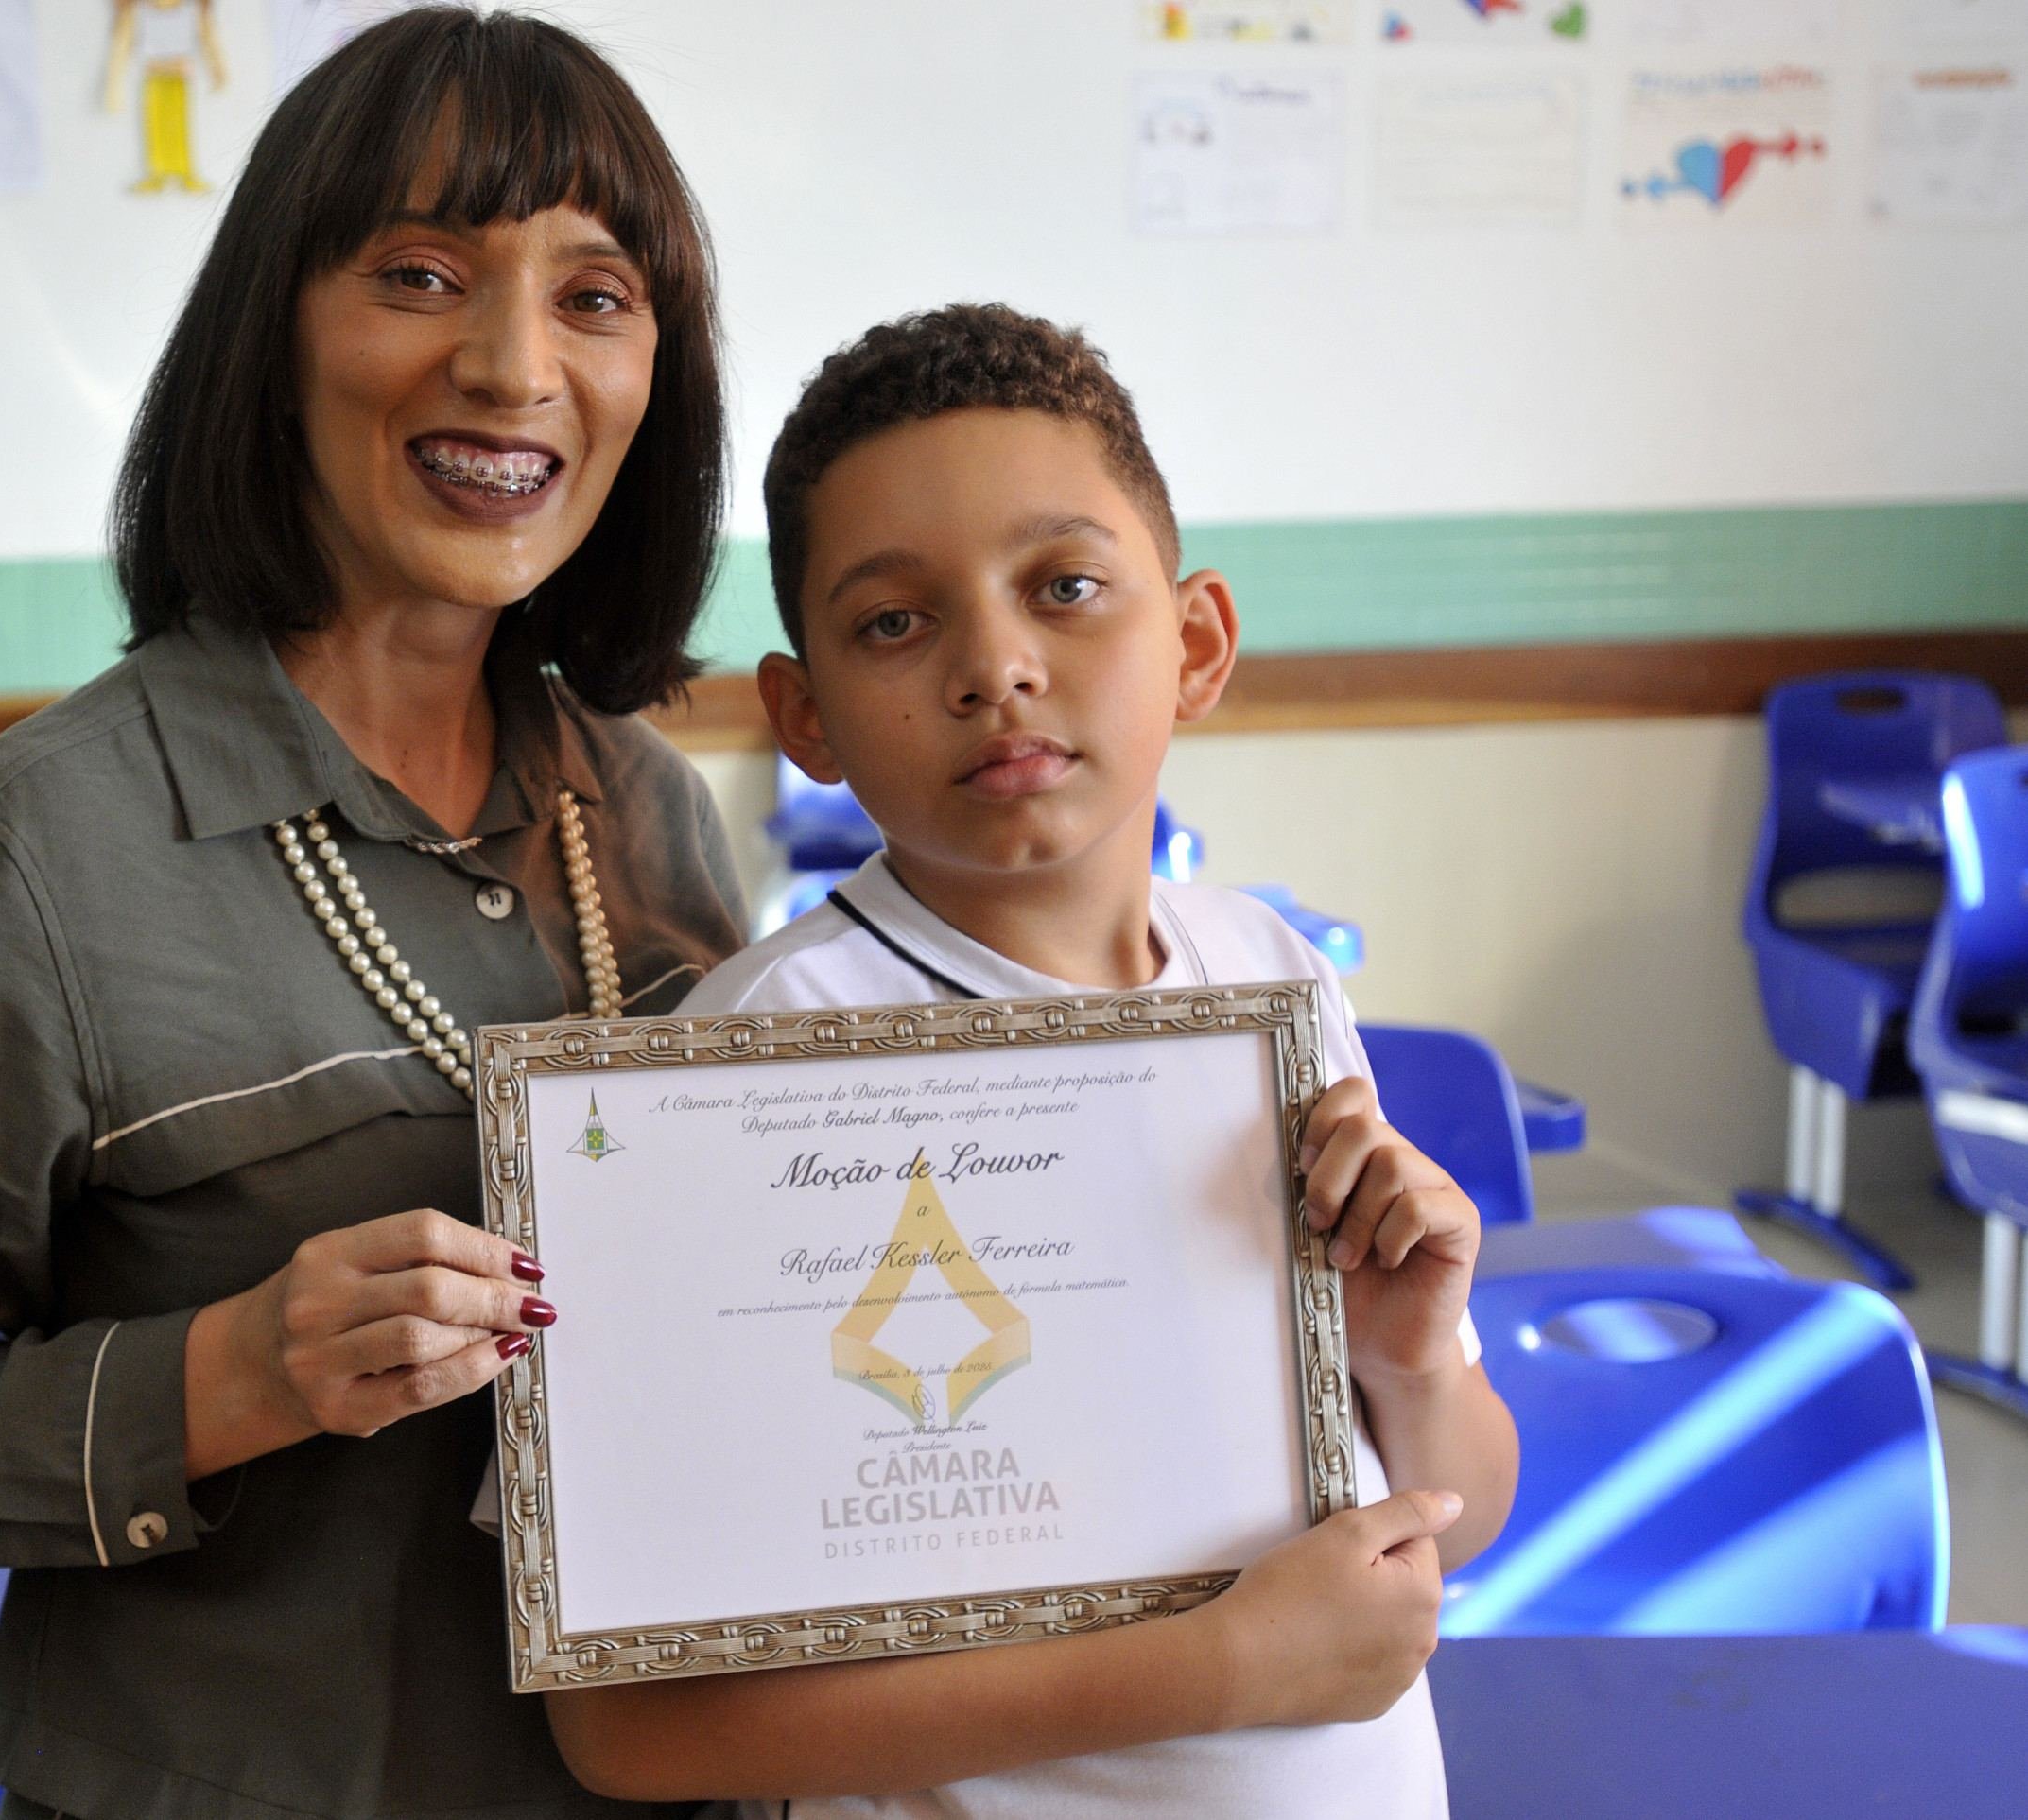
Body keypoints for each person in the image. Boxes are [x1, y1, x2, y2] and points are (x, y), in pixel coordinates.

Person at [0, 12, 744, 1819]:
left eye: (597, 297)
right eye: (421, 275)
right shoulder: (22, 858)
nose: (515, 366)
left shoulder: (649, 808)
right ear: (271, 334)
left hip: (655, 1778)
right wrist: (227, 1374)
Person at [536, 304, 1521, 1818]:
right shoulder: (755, 1062)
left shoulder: (1269, 977)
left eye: (1065, 587)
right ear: (803, 716)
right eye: (894, 622)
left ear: (1195, 643)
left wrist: (1403, 1356)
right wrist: (1228, 1667)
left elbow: (1456, 1517)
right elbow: (638, 1730)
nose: (995, 664)